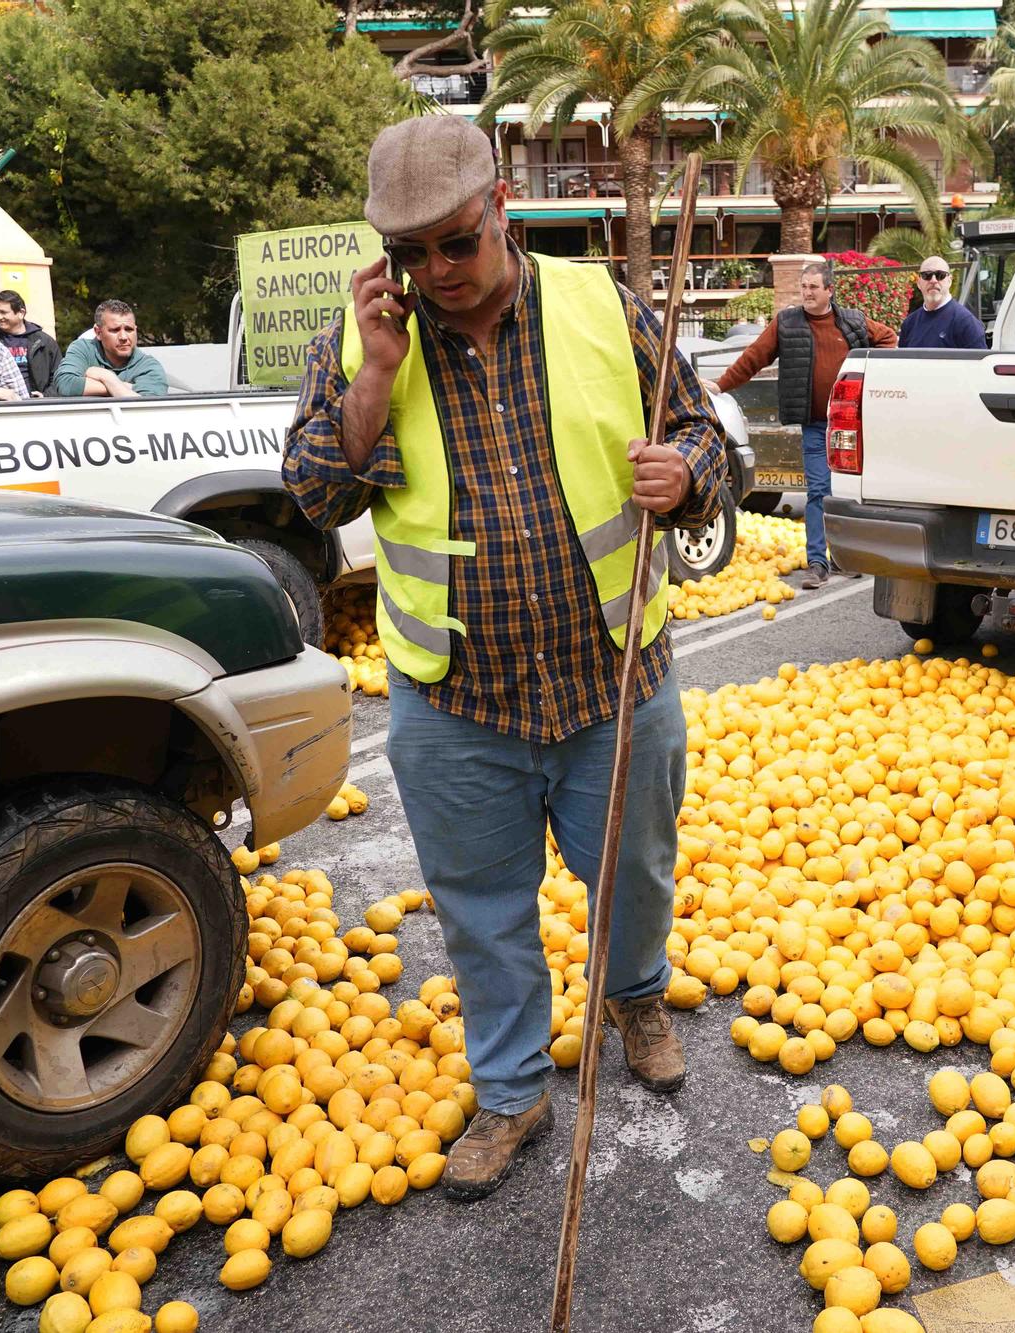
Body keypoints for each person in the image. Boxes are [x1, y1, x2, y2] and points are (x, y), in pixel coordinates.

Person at [281, 117, 726, 1201]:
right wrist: (378, 375)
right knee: (480, 909)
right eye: (410, 254)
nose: (435, 272)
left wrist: (686, 472)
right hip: (456, 697)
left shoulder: (597, 303)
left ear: (501, 216)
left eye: (455, 243)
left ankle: (634, 994)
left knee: (633, 872)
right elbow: (316, 493)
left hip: (613, 679)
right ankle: (513, 1088)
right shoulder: (363, 342)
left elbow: (708, 433)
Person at [715, 261, 897, 588]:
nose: (807, 293)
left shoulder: (852, 322)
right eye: (803, 287)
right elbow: (754, 357)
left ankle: (846, 556)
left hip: (850, 426)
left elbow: (888, 338)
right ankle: (818, 563)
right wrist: (721, 384)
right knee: (818, 490)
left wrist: (871, 377)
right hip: (814, 424)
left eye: (813, 287)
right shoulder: (787, 323)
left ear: (829, 290)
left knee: (848, 492)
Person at [56, 300, 169, 398]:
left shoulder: (149, 367)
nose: (124, 337)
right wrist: (126, 388)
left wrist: (107, 377)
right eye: (115, 330)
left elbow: (146, 409)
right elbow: (65, 384)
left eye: (129, 329)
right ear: (98, 332)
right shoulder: (83, 349)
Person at [898, 257, 986, 350]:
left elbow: (979, 364)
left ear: (949, 281)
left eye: (940, 275)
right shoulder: (909, 324)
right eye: (926, 275)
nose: (933, 280)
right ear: (919, 283)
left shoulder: (966, 323)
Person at [0, 290, 62, 397]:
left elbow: (59, 376)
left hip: (34, 405)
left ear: (21, 313)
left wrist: (45, 396)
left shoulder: (44, 342)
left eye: (3, 312)